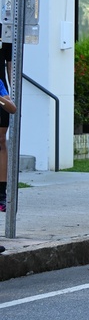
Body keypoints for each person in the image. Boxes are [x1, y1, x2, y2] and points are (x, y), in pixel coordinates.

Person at [0, 35, 12, 212]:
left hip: (1, 94)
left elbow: (12, 63)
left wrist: (8, 100)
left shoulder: (7, 26)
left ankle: (1, 193)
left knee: (0, 140)